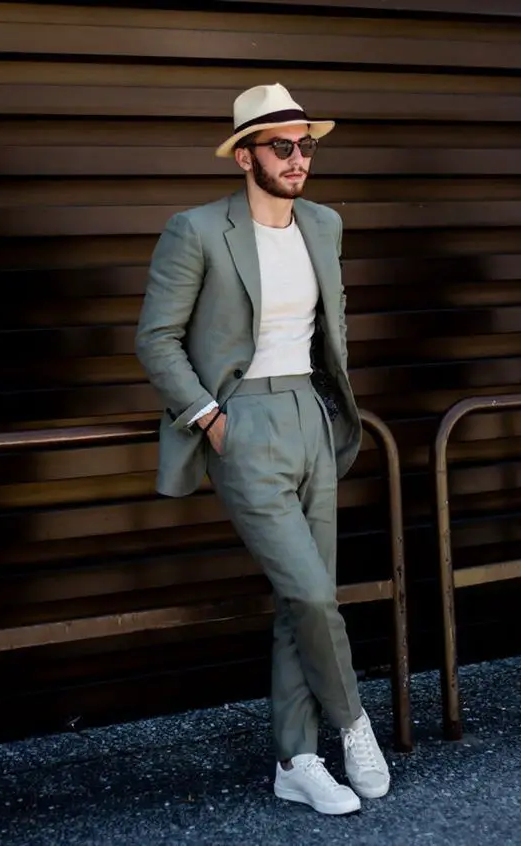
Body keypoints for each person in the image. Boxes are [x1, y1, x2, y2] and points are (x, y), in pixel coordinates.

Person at [136, 83, 390, 816]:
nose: (298, 157)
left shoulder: (324, 223)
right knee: (313, 593)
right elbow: (155, 338)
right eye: (282, 146)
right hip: (242, 424)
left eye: (306, 144)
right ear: (245, 155)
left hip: (311, 415)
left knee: (296, 601)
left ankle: (297, 759)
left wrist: (329, 407)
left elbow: (330, 321)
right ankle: (353, 722)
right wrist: (212, 418)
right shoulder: (196, 230)